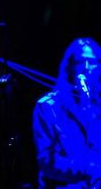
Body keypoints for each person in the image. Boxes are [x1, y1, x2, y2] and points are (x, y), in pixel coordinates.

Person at [32, 37, 101, 188]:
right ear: (70, 67)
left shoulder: (98, 106)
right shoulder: (48, 106)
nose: (87, 68)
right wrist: (90, 167)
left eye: (93, 62)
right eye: (81, 62)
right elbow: (46, 162)